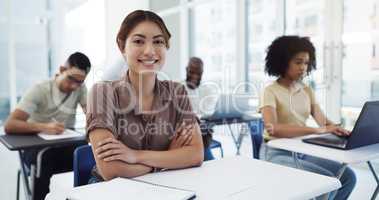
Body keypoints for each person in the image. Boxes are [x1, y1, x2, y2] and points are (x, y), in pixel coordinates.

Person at [86, 10, 204, 183]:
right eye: (138, 41)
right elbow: (111, 170)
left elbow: (195, 154)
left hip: (166, 186)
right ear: (122, 46)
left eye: (158, 41)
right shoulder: (102, 92)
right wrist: (168, 159)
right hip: (112, 190)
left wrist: (135, 156)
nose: (149, 51)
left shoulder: (177, 92)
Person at [260, 35, 356, 200]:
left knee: (347, 177)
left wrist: (340, 130)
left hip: (302, 151)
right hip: (276, 153)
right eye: (298, 62)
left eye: (306, 63)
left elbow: (323, 122)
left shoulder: (306, 90)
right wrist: (318, 130)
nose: (303, 67)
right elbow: (273, 128)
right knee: (327, 185)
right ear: (283, 62)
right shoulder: (270, 91)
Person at [4, 52, 91, 200]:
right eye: (71, 79)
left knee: (87, 153)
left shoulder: (80, 89)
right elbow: (10, 125)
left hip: (66, 145)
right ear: (62, 70)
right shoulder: (40, 89)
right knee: (45, 157)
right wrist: (43, 127)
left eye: (80, 82)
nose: (74, 86)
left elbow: (91, 114)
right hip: (36, 147)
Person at [183, 57, 218, 161]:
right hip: (184, 131)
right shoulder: (178, 88)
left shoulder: (207, 90)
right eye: (191, 72)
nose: (194, 76)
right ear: (186, 70)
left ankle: (203, 158)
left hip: (200, 132)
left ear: (202, 73)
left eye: (198, 73)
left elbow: (208, 113)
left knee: (203, 129)